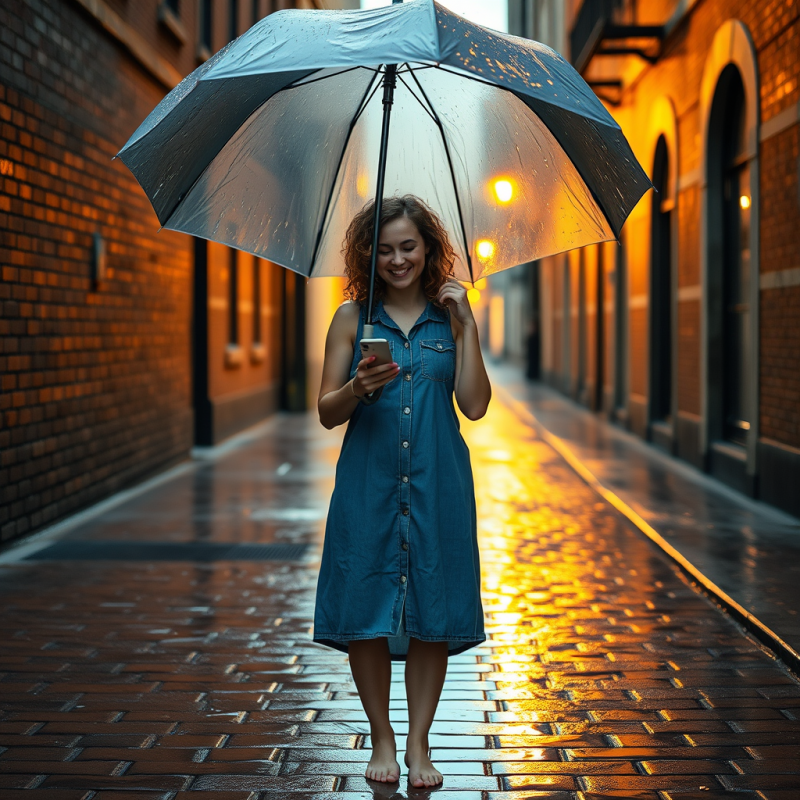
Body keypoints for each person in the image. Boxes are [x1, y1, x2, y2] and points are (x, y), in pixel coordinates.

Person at [313, 195, 491, 789]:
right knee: (366, 605)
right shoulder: (351, 319)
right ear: (369, 252)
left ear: (428, 249)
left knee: (431, 611)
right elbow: (325, 412)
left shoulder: (451, 318)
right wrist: (357, 387)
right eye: (385, 249)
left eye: (408, 246)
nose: (397, 259)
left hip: (439, 481)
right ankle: (382, 737)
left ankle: (418, 744)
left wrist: (466, 329)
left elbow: (474, 403)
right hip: (369, 485)